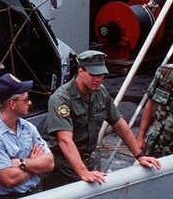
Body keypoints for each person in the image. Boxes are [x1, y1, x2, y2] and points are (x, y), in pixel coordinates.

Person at [44, 49, 160, 185]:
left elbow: (120, 125)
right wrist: (83, 173)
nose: (98, 79)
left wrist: (140, 156)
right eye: (93, 74)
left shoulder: (100, 92)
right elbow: (65, 141)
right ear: (80, 71)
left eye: (101, 74)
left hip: (87, 162)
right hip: (63, 168)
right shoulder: (61, 99)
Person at [0, 73, 53, 198]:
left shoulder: (28, 127)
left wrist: (22, 163)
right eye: (26, 99)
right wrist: (34, 163)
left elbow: (49, 163)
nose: (30, 103)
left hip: (35, 194)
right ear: (12, 104)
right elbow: (8, 179)